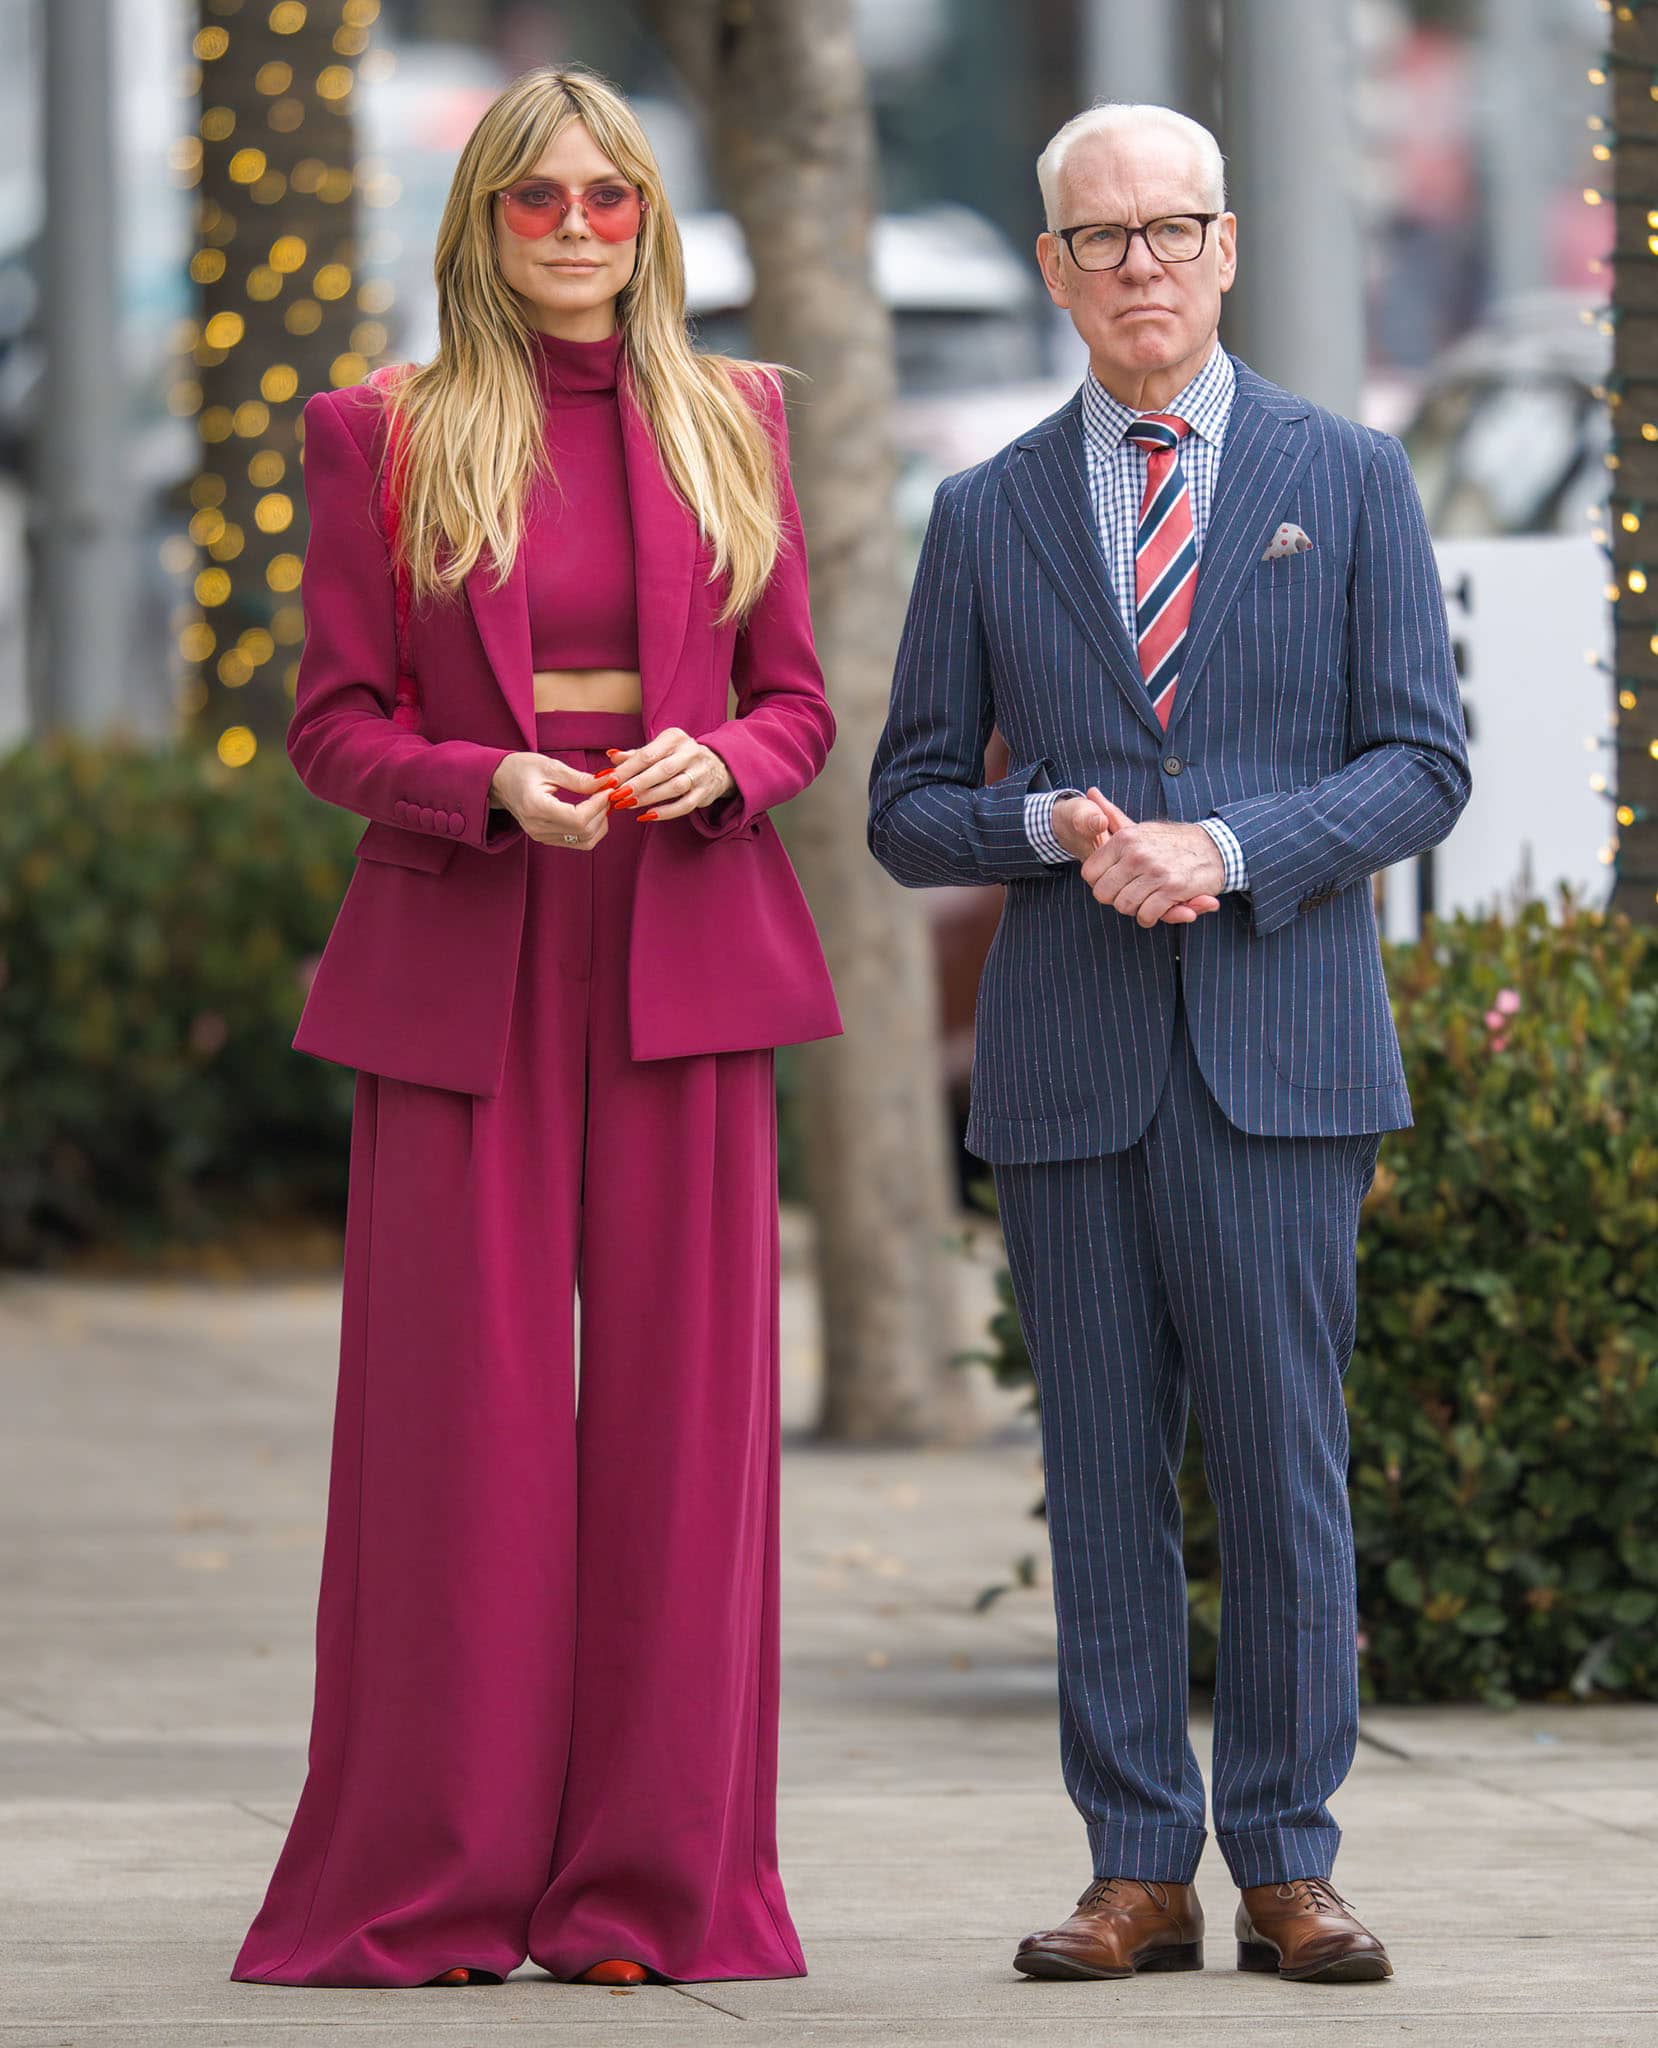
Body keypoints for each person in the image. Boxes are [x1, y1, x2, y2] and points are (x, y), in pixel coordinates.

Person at [232, 64, 839, 1991]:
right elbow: (332, 722)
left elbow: (798, 703)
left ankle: (650, 1893)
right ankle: (436, 1877)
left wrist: (719, 759)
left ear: (650, 220)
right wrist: (484, 785)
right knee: (456, 1436)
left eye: (608, 199)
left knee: (684, 1435)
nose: (577, 231)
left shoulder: (736, 420)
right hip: (468, 951)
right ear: (479, 221)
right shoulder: (378, 433)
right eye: (537, 201)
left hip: (683, 944)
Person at [869, 102, 1470, 1987]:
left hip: (1279, 1058)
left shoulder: (1348, 474)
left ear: (1225, 249)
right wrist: (1046, 826)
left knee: (1287, 1467)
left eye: (1169, 229)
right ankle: (1135, 1865)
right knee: (1107, 1474)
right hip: (1069, 1072)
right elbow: (901, 808)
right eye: (1100, 238)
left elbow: (1421, 765)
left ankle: (1288, 1861)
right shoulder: (985, 514)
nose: (1139, 265)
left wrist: (1230, 848)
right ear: (1051, 270)